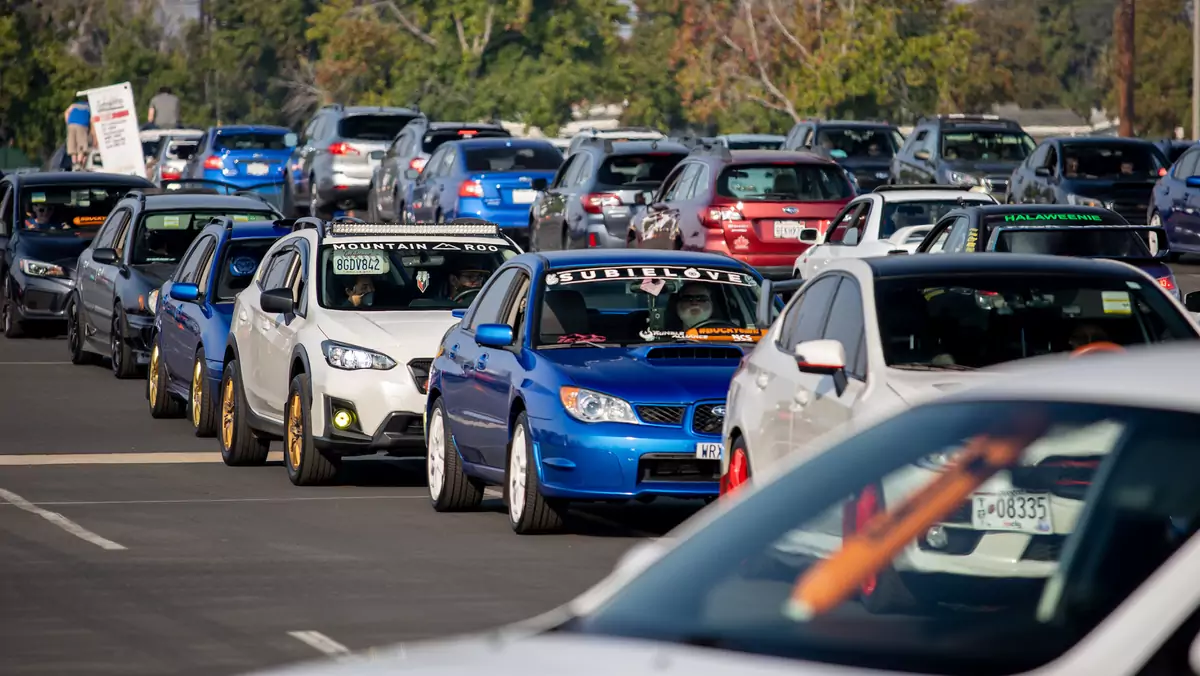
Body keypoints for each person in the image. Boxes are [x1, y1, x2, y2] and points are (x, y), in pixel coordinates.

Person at [63, 97, 91, 169]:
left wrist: (68, 123)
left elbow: (66, 112)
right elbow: (92, 120)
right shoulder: (89, 107)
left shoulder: (74, 105)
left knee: (72, 146)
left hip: (71, 125)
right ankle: (79, 164)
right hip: (82, 125)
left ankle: (74, 163)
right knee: (81, 146)